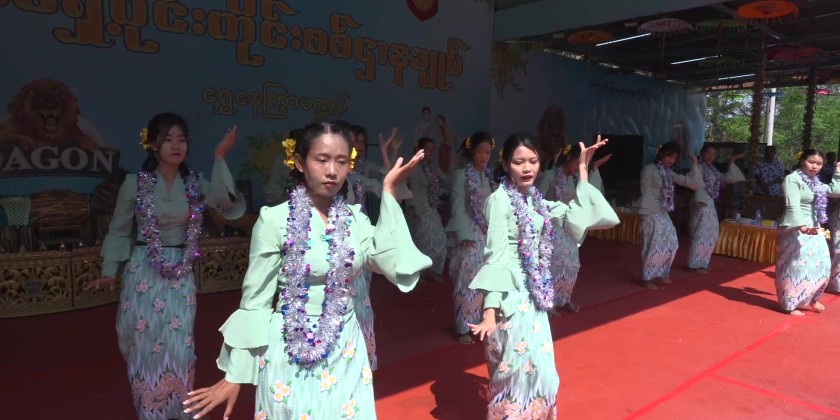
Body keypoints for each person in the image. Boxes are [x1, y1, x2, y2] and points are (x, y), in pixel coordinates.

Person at [184, 121, 431, 419]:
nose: (332, 171)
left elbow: (386, 260)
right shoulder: (275, 220)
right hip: (289, 346)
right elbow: (255, 300)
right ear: (300, 162)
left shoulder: (355, 219)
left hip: (345, 346)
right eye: (322, 160)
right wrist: (235, 373)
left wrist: (389, 192)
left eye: (341, 161)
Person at [88, 112, 245, 420]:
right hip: (144, 268)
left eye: (181, 139)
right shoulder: (134, 184)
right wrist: (109, 271)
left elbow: (228, 204)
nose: (176, 145)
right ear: (152, 144)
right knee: (142, 341)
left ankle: (179, 409)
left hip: (181, 271)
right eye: (168, 139)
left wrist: (219, 157)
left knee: (179, 343)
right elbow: (119, 230)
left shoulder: (195, 183)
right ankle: (151, 410)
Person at [468, 133, 619, 419]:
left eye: (533, 161)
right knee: (515, 373)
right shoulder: (499, 201)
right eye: (518, 162)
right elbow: (496, 258)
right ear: (505, 164)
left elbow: (581, 217)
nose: (527, 168)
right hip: (509, 298)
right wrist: (489, 311)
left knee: (543, 373)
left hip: (534, 296)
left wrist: (584, 171)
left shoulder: (537, 201)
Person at [537, 143, 610, 313]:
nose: (578, 167)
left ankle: (564, 299)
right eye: (577, 163)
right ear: (569, 157)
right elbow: (537, 200)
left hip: (569, 228)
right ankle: (548, 303)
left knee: (571, 264)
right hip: (552, 227)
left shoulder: (575, 179)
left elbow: (587, 195)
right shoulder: (549, 176)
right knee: (553, 264)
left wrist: (594, 168)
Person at [445, 132, 497, 344]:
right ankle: (463, 327)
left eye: (488, 152)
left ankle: (481, 321)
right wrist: (463, 234)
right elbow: (457, 206)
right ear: (471, 152)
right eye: (480, 152)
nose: (484, 156)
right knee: (468, 280)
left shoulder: (487, 175)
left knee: (485, 279)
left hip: (486, 233)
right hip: (469, 233)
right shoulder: (462, 175)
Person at [776, 149, 840, 315]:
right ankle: (789, 303)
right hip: (795, 226)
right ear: (802, 161)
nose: (815, 166)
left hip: (814, 226)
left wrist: (838, 174)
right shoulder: (792, 179)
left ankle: (811, 297)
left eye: (819, 164)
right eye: (811, 162)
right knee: (796, 265)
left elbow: (835, 191)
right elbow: (792, 205)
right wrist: (802, 226)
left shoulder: (815, 182)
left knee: (823, 264)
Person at [638, 141, 700, 289]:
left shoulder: (668, 172)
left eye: (674, 158)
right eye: (669, 156)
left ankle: (661, 272)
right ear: (661, 154)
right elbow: (645, 191)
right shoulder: (649, 169)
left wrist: (695, 162)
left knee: (672, 241)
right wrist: (654, 210)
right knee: (653, 243)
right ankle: (647, 277)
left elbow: (688, 182)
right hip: (650, 210)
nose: (671, 160)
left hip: (662, 211)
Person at [687, 144, 745, 273]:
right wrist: (694, 162)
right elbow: (692, 180)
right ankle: (693, 264)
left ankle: (703, 261)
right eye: (708, 153)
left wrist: (732, 162)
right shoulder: (698, 167)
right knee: (700, 232)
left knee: (712, 232)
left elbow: (727, 178)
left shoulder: (712, 169)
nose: (710, 156)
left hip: (710, 202)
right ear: (702, 153)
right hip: (700, 201)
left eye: (713, 154)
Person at [407, 137, 450, 283]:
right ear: (420, 150)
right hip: (418, 210)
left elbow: (446, 179)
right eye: (427, 149)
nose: (430, 152)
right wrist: (417, 213)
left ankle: (431, 271)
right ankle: (417, 273)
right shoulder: (414, 166)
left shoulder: (432, 166)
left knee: (441, 239)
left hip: (431, 208)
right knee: (421, 242)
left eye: (432, 149)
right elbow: (413, 190)